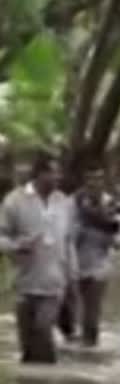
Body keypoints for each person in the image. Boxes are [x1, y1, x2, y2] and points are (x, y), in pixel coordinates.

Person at [0, 153, 78, 364]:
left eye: (59, 172)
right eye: (53, 172)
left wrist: (72, 274)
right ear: (39, 174)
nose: (57, 177)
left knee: (44, 330)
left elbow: (69, 240)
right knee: (28, 345)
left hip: (54, 283)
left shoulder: (64, 202)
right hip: (24, 282)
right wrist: (17, 245)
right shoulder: (14, 201)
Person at [67, 163, 120, 347]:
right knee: (67, 313)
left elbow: (119, 242)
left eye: (99, 178)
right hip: (71, 264)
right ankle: (70, 343)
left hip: (98, 267)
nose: (94, 183)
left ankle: (89, 348)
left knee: (92, 313)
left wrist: (109, 231)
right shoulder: (71, 203)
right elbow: (64, 235)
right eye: (90, 179)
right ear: (84, 181)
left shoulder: (112, 205)